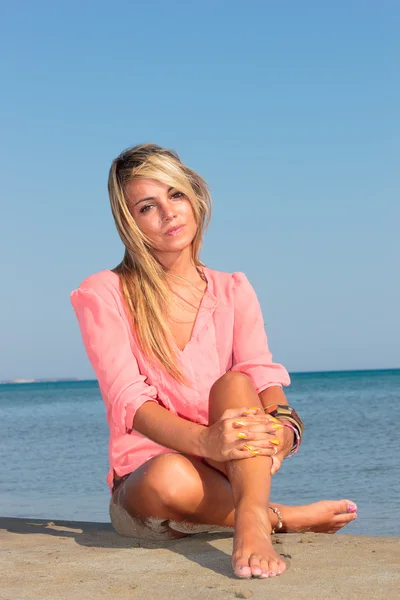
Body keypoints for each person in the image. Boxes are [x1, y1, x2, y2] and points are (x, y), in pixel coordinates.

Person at [70, 143, 358, 579]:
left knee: (234, 385)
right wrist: (205, 442)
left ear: (195, 197)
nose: (168, 213)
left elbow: (261, 375)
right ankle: (275, 517)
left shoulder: (233, 289)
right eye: (148, 206)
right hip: (151, 486)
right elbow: (128, 400)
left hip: (231, 464)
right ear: (130, 223)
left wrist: (281, 428)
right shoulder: (104, 292)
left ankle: (251, 519)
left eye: (176, 195)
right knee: (170, 474)